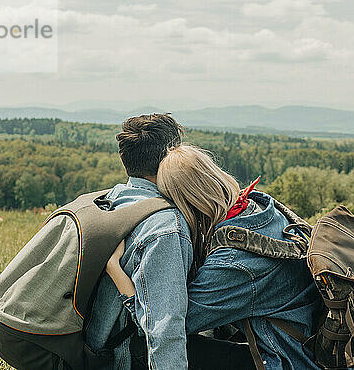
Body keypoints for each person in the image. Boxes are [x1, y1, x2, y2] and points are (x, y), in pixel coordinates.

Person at [107, 145, 324, 370]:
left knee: (142, 349)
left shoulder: (233, 262)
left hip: (286, 360)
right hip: (303, 346)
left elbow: (168, 325)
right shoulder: (259, 207)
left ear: (186, 202)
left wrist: (115, 270)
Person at [84, 114, 193, 369]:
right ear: (171, 159)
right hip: (128, 356)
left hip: (95, 348)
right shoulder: (165, 228)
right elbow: (164, 329)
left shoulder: (108, 201)